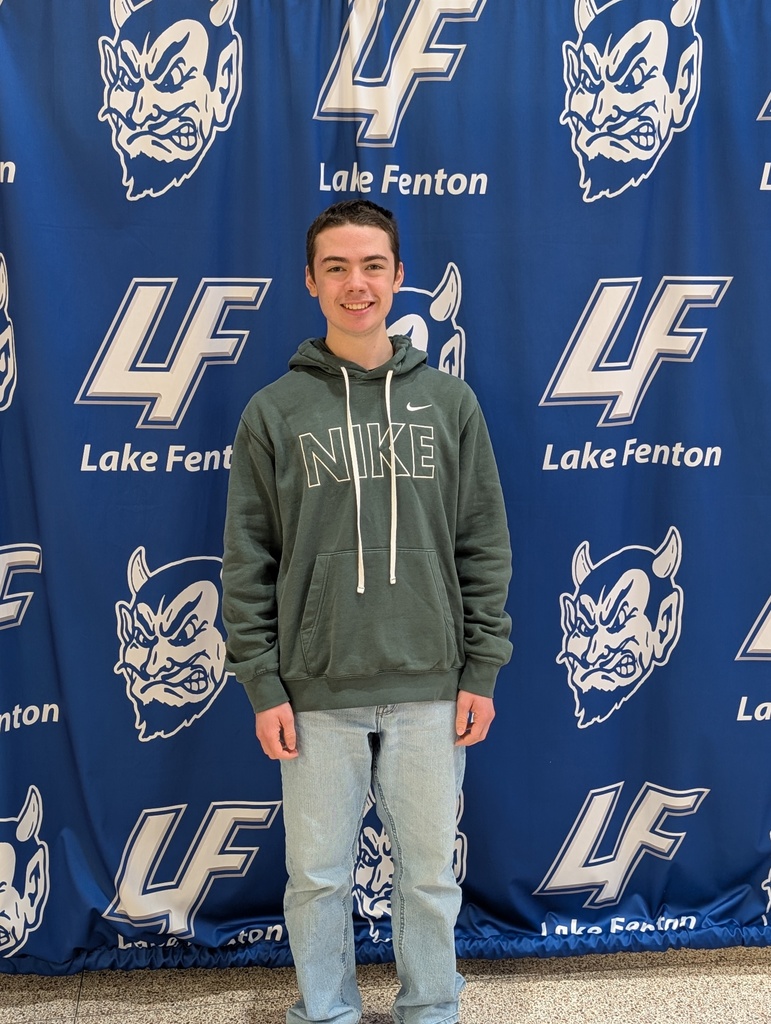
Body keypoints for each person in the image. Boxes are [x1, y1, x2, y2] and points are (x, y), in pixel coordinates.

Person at [222, 199, 512, 1024]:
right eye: (338, 267)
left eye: (373, 265)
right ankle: (327, 1012)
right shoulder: (273, 413)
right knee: (316, 877)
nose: (358, 284)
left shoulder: (450, 405)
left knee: (427, 874)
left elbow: (483, 546)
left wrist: (480, 667)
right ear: (311, 280)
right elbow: (247, 561)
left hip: (430, 681)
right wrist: (263, 685)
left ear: (398, 276)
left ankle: (431, 1010)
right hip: (315, 689)